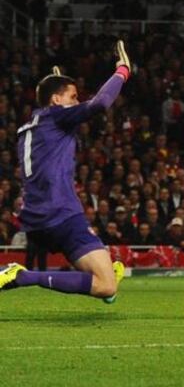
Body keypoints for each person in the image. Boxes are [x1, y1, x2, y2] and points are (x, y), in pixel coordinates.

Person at [0, 44, 132, 302]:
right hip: (60, 214)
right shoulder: (56, 118)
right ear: (56, 100)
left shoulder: (30, 128)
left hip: (36, 219)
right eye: (73, 97)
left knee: (105, 279)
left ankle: (104, 267)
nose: (78, 102)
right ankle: (23, 276)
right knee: (106, 286)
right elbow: (101, 102)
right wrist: (123, 70)